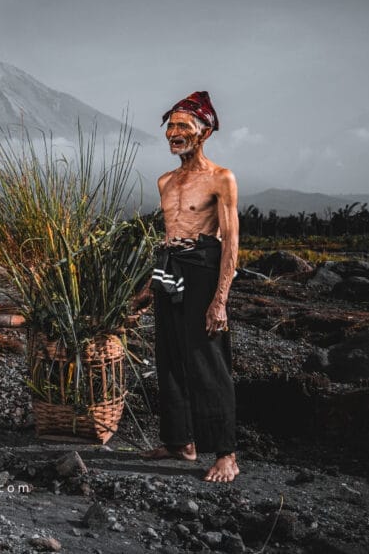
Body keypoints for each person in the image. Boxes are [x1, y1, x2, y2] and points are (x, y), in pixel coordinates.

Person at [141, 91, 240, 483]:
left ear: (204, 133)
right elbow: (169, 238)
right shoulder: (165, 181)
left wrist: (220, 300)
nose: (174, 133)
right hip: (172, 269)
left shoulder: (221, 178)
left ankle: (227, 453)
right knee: (169, 355)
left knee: (207, 361)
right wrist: (149, 287)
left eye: (183, 126)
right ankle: (180, 441)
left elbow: (230, 240)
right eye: (170, 127)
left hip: (204, 268)